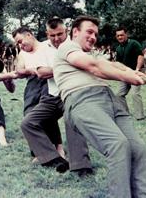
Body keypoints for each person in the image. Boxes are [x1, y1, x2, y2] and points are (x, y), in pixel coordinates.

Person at [54, 15, 146, 197]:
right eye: (89, 32)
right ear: (75, 32)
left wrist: (132, 71)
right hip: (83, 100)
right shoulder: (67, 47)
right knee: (118, 145)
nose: (93, 37)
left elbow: (111, 64)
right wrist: (126, 77)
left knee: (139, 148)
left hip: (110, 99)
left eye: (96, 34)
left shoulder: (89, 52)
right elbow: (94, 67)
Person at [19, 17, 93, 175]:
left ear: (66, 30)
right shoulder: (43, 48)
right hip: (51, 96)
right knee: (28, 123)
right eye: (52, 35)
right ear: (47, 33)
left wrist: (53, 69)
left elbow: (86, 66)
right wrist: (67, 67)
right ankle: (53, 158)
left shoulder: (76, 45)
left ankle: (81, 165)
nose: (56, 38)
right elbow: (41, 72)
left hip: (71, 93)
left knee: (71, 120)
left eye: (60, 34)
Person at [13, 26, 64, 161]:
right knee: (29, 114)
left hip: (49, 82)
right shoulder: (22, 54)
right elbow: (19, 70)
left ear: (29, 35)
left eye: (20, 41)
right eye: (17, 43)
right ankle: (40, 152)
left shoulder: (46, 46)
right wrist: (31, 70)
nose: (20, 45)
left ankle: (58, 148)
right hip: (33, 84)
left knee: (48, 115)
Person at [115, 26, 145, 120]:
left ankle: (140, 116)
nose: (120, 37)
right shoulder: (118, 48)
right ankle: (125, 113)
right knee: (119, 95)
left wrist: (137, 69)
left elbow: (140, 56)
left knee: (135, 94)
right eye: (118, 36)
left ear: (126, 35)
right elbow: (118, 63)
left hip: (136, 72)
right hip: (125, 74)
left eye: (122, 35)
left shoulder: (134, 43)